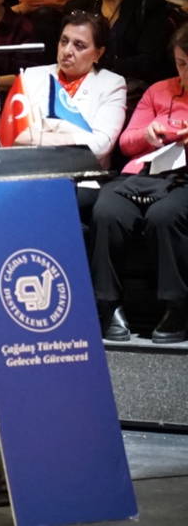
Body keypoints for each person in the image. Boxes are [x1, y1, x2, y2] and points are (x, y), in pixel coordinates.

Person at [89, 23, 188, 343]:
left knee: (164, 215)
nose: (185, 73)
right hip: (142, 174)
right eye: (181, 63)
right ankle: (108, 305)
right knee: (107, 211)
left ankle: (177, 307)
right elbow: (126, 143)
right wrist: (147, 135)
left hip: (183, 178)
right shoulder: (159, 90)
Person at [5, 10, 127, 218]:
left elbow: (100, 145)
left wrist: (40, 135)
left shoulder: (111, 84)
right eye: (64, 41)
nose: (67, 51)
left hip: (82, 178)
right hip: (29, 173)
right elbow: (13, 135)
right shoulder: (31, 77)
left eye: (79, 45)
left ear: (98, 53)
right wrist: (76, 135)